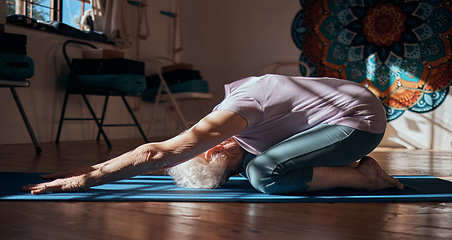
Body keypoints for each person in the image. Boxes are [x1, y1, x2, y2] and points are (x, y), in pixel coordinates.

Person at [23, 74, 404, 195]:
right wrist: (91, 167)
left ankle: (363, 176)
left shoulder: (230, 121)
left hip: (358, 121)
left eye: (219, 159)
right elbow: (162, 161)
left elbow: (157, 156)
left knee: (262, 173)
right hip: (343, 112)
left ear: (210, 150)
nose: (219, 152)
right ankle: (361, 173)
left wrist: (86, 178)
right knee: (255, 164)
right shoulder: (234, 131)